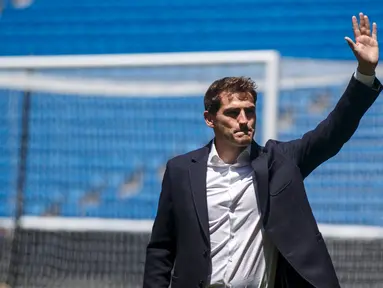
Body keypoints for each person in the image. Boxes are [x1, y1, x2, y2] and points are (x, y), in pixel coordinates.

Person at [143, 13, 382, 288]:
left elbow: (333, 132)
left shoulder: (280, 162)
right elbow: (161, 248)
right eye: (233, 113)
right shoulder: (180, 170)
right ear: (210, 119)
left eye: (249, 111)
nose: (244, 120)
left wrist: (365, 73)